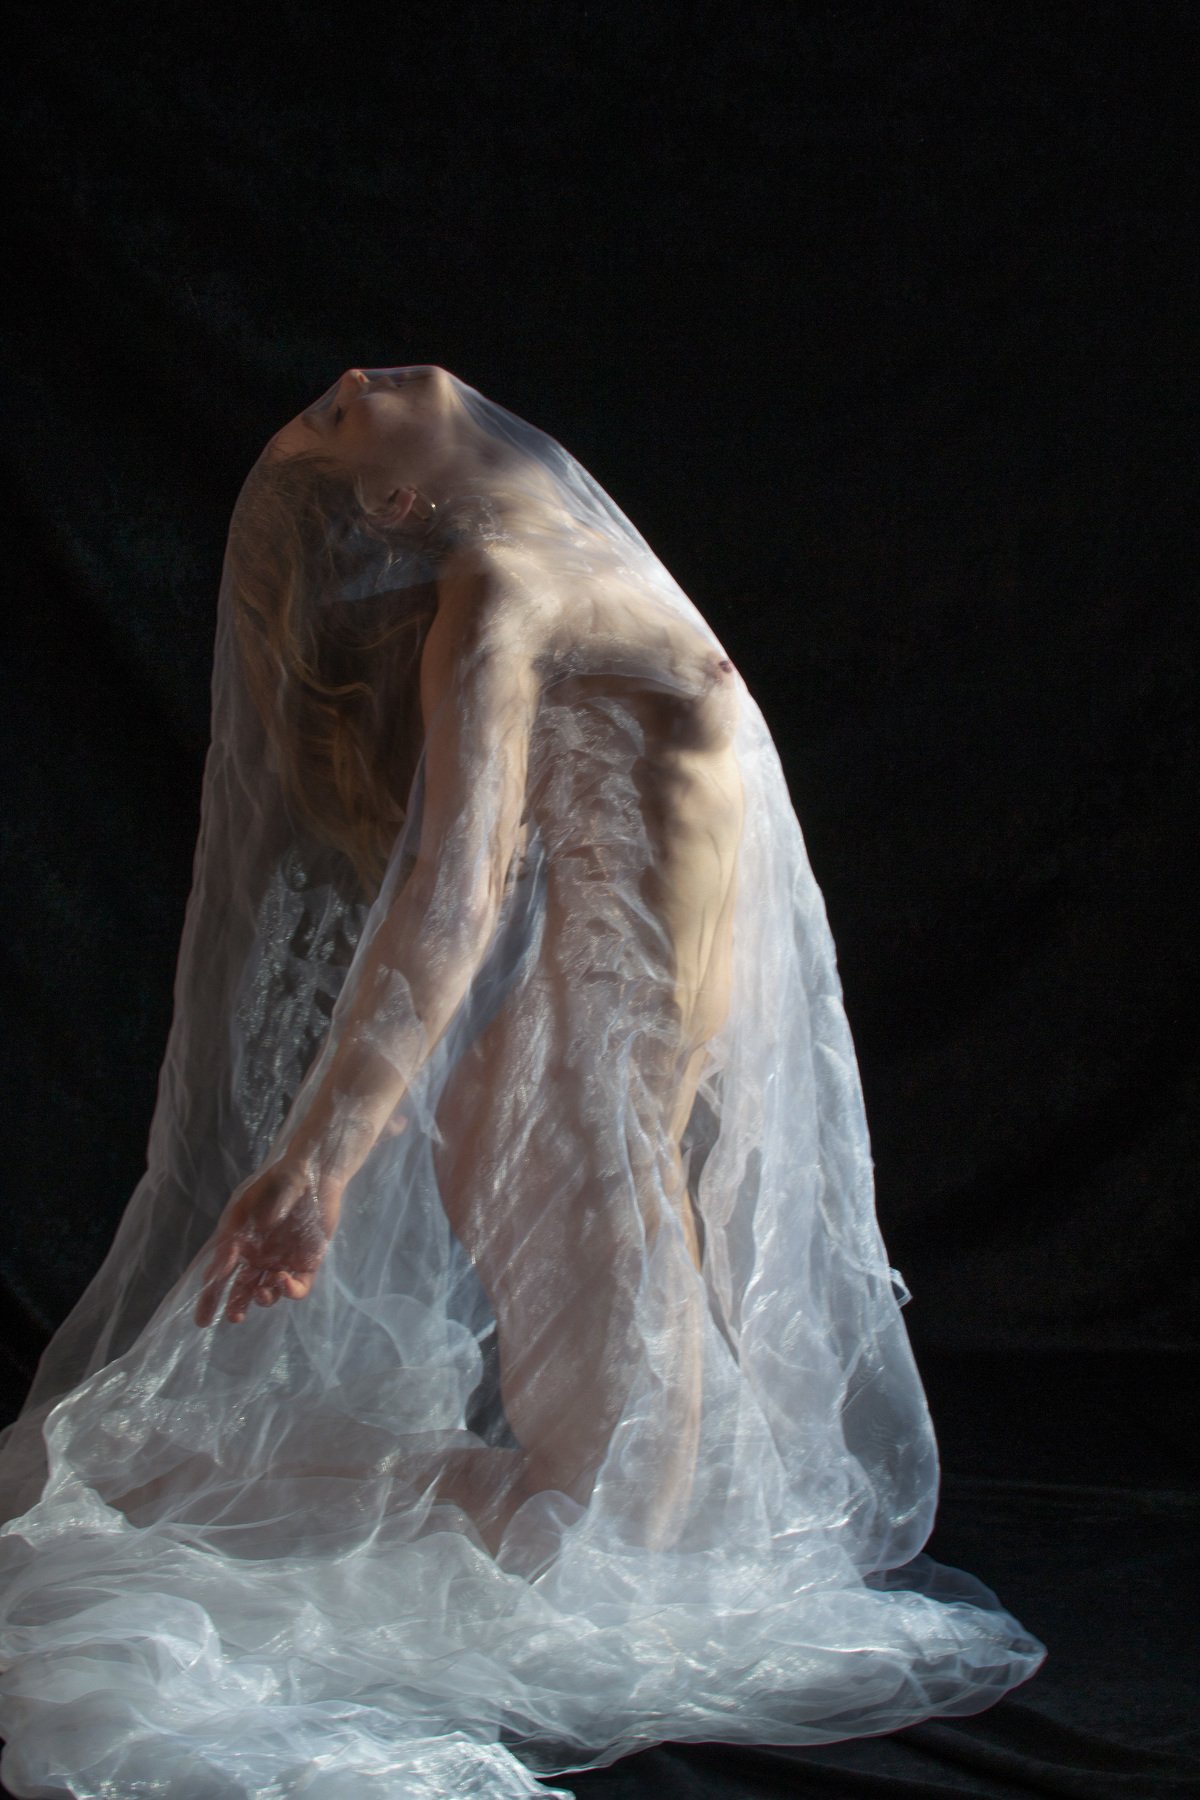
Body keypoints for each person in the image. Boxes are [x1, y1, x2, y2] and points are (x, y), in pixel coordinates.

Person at [0, 367, 1045, 1800]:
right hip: (563, 1085)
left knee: (608, 1511)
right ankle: (132, 1516)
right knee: (605, 1526)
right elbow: (454, 893)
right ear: (394, 502)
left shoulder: (560, 546)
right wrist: (318, 1165)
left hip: (598, 1067)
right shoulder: (499, 589)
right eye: (333, 419)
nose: (351, 383)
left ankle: (145, 1498)